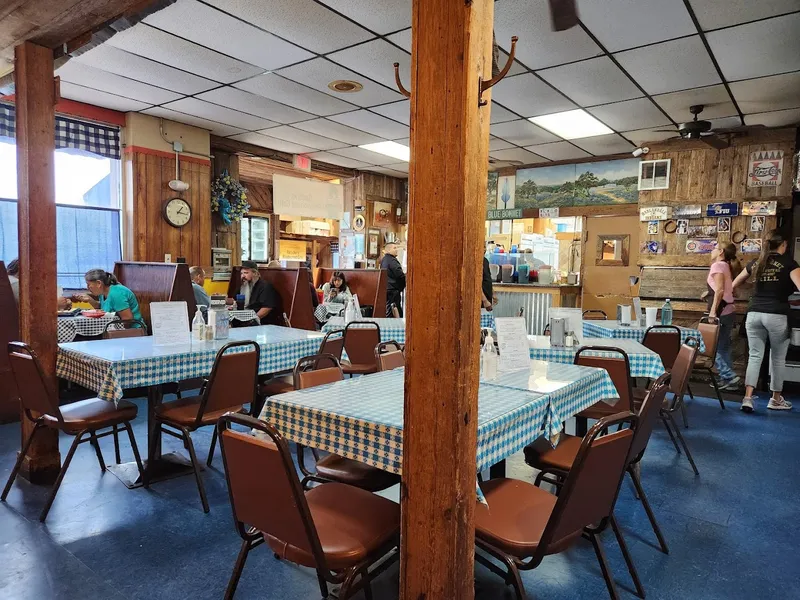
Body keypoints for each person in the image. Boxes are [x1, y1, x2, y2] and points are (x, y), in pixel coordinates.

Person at [732, 230, 800, 413]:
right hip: (777, 314)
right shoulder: (789, 263)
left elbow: (733, 284)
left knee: (755, 356)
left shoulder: (756, 263)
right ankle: (776, 399)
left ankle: (747, 398)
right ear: (783, 244)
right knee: (777, 358)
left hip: (754, 314)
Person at [706, 242, 742, 391]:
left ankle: (729, 375)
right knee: (723, 347)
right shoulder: (726, 266)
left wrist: (713, 311)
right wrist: (707, 293)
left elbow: (720, 291)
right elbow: (726, 289)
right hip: (729, 310)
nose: (712, 250)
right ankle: (726, 380)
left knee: (710, 348)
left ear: (720, 251)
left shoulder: (718, 266)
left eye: (715, 248)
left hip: (721, 312)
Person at [74, 269, 142, 323]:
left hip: (133, 330)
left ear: (99, 283)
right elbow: (104, 308)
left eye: (88, 284)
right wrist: (90, 300)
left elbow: (128, 320)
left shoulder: (116, 293)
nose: (87, 287)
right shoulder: (103, 292)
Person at [8, 258, 72, 310]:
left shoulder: (10, 281)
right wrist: (55, 304)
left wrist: (62, 303)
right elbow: (31, 308)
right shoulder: (15, 284)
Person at [239, 260, 283, 326]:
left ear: (255, 273)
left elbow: (267, 307)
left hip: (262, 323)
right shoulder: (244, 286)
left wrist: (253, 319)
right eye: (241, 273)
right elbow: (235, 299)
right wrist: (223, 299)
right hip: (246, 318)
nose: (243, 276)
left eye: (246, 273)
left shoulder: (265, 287)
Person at [380, 242, 406, 317]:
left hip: (387, 289)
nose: (396, 250)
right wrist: (403, 285)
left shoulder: (384, 260)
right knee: (395, 312)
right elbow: (400, 275)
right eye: (394, 248)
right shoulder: (392, 261)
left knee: (390, 311)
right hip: (393, 291)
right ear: (388, 250)